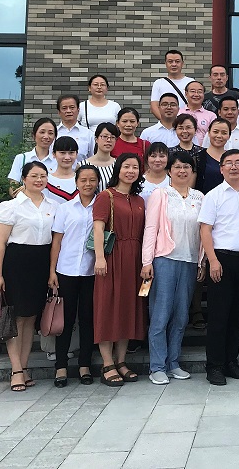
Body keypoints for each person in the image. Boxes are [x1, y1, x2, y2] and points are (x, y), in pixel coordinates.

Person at [199, 149, 239, 386]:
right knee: (219, 316)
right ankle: (214, 366)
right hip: (222, 260)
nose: (234, 166)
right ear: (221, 168)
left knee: (238, 316)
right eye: (229, 163)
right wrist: (212, 260)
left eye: (238, 162)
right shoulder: (213, 196)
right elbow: (205, 230)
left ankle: (231, 361)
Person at [0, 161, 57, 392]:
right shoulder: (11, 207)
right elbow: (0, 244)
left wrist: (51, 271)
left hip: (40, 262)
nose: (39, 180)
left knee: (31, 318)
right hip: (16, 263)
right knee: (17, 318)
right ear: (24, 178)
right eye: (34, 176)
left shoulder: (53, 205)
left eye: (43, 176)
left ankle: (25, 366)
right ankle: (16, 370)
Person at [142, 152, 205, 384]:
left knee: (181, 316)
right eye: (177, 167)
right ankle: (157, 366)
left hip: (189, 260)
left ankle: (173, 362)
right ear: (169, 170)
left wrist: (201, 261)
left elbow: (204, 231)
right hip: (164, 259)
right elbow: (151, 228)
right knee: (161, 314)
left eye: (187, 167)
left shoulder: (199, 197)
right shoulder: (161, 194)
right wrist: (146, 261)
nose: (182, 171)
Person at [92, 153, 147, 386]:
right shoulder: (106, 196)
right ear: (118, 169)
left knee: (127, 308)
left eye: (135, 167)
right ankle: (107, 363)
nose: (130, 171)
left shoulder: (139, 199)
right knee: (107, 307)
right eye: (126, 166)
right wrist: (99, 258)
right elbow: (98, 228)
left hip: (135, 259)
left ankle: (121, 361)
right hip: (112, 257)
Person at [49, 165, 100, 387]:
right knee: (66, 320)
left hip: (91, 271)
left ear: (97, 182)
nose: (88, 184)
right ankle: (61, 366)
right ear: (76, 182)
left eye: (92, 180)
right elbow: (57, 242)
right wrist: (52, 271)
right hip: (66, 270)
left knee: (88, 319)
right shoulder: (65, 208)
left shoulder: (102, 207)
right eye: (83, 180)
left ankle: (84, 365)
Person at [7, 118, 57, 195]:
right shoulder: (21, 158)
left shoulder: (58, 160)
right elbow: (13, 189)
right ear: (34, 135)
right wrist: (25, 190)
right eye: (42, 132)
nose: (46, 136)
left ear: (55, 137)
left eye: (50, 133)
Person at [151, 49, 195, 121]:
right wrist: (166, 122)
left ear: (182, 63)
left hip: (186, 124)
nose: (174, 64)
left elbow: (196, 104)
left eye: (177, 61)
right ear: (165, 63)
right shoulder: (158, 83)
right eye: (170, 61)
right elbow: (154, 106)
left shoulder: (191, 82)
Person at [197, 117, 232, 193]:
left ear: (229, 136)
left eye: (224, 133)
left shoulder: (233, 159)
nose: (219, 136)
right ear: (209, 133)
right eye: (215, 132)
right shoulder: (198, 158)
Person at [57, 94, 95, 160]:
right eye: (64, 108)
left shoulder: (88, 134)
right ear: (59, 112)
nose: (68, 111)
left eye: (72, 107)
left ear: (78, 110)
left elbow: (93, 158)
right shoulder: (53, 133)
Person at [83, 123, 118, 191]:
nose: (109, 140)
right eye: (105, 136)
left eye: (112, 137)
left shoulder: (118, 164)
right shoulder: (83, 164)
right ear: (96, 139)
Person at [179, 81, 215, 146]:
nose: (196, 94)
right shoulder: (178, 113)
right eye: (192, 91)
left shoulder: (211, 116)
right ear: (186, 94)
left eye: (200, 92)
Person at [45, 136, 80, 204]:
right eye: (62, 153)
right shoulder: (47, 181)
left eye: (71, 153)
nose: (67, 157)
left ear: (76, 154)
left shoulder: (82, 180)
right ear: (54, 154)